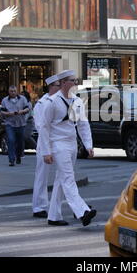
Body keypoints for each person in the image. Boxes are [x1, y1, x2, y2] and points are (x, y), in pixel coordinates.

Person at [42, 70, 97, 227]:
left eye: (76, 80)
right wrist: (46, 151)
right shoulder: (51, 102)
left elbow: (83, 125)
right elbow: (44, 128)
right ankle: (83, 212)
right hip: (58, 144)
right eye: (73, 80)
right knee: (68, 178)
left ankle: (53, 216)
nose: (76, 83)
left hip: (72, 143)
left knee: (61, 179)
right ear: (64, 82)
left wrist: (88, 145)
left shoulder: (78, 101)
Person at [32, 75, 61, 219]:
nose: (60, 88)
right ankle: (39, 207)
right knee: (42, 176)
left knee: (66, 176)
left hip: (59, 142)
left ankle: (75, 206)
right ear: (51, 87)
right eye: (57, 85)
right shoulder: (41, 104)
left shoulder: (61, 101)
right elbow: (40, 126)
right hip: (45, 142)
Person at [1, 86, 29, 167]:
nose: (13, 92)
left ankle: (18, 156)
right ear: (8, 92)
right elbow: (2, 111)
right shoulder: (5, 100)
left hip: (21, 123)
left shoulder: (23, 99)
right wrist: (9, 114)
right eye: (11, 91)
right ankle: (11, 160)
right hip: (10, 124)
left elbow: (27, 109)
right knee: (11, 140)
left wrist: (22, 111)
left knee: (20, 142)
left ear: (17, 91)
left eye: (14, 91)